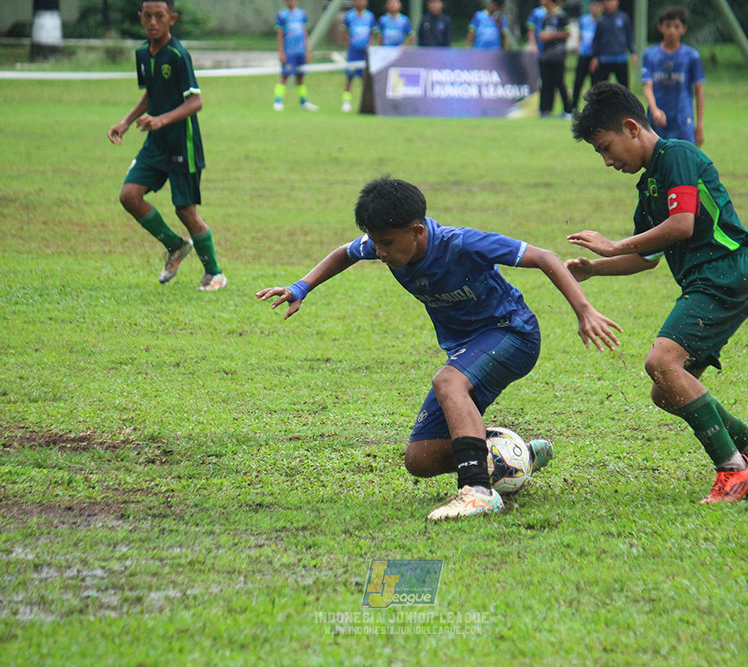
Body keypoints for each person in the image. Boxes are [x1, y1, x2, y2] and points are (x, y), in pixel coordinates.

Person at [257, 177, 621, 520]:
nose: (379, 252)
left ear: (417, 231)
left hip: (513, 333)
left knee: (447, 382)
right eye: (375, 242)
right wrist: (301, 287)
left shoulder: (461, 243)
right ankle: (513, 453)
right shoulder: (383, 243)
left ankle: (477, 490)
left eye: (386, 242)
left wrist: (584, 311)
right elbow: (345, 253)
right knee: (420, 459)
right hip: (469, 348)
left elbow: (544, 257)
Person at [565, 83, 748, 504]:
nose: (608, 161)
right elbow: (646, 255)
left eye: (607, 148)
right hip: (710, 280)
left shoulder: (678, 156)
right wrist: (596, 268)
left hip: (724, 273)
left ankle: (735, 470)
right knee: (666, 389)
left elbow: (682, 225)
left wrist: (611, 244)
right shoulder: (650, 186)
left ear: (632, 128)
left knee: (662, 363)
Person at [107, 0, 226, 291]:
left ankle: (215, 274)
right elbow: (151, 92)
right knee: (129, 196)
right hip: (155, 144)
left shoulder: (178, 54)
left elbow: (195, 101)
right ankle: (175, 246)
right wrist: (125, 121)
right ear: (140, 17)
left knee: (185, 211)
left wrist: (161, 120)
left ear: (171, 18)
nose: (152, 22)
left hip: (181, 144)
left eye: (159, 16)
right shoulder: (143, 54)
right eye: (147, 16)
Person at [641, 6, 705, 146]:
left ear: (683, 29)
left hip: (683, 118)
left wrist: (699, 125)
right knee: (657, 158)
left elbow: (699, 91)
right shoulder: (650, 55)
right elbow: (647, 87)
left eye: (676, 26)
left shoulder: (691, 56)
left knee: (685, 157)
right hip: (658, 119)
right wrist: (654, 110)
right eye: (668, 26)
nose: (671, 31)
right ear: (660, 28)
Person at [274, 0, 319, 111]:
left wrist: (307, 51)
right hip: (289, 51)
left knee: (300, 77)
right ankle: (278, 101)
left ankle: (303, 101)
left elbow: (304, 33)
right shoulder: (282, 15)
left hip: (300, 51)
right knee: (285, 75)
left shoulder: (301, 14)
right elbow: (279, 35)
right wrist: (281, 52)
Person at [537, 0, 573, 118]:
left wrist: (551, 36)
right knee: (546, 83)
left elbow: (567, 33)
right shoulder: (545, 16)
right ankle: (545, 109)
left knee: (559, 82)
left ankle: (567, 110)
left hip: (558, 55)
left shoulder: (562, 15)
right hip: (545, 55)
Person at [341, 0, 377, 112]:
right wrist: (349, 41)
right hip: (353, 51)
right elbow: (343, 30)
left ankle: (364, 102)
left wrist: (370, 44)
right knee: (349, 77)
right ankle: (346, 101)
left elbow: (373, 32)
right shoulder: (350, 15)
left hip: (365, 52)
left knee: (365, 78)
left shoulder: (370, 16)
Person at [589, 0, 636, 86]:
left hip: (620, 58)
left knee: (624, 87)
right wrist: (595, 56)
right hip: (605, 59)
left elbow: (629, 36)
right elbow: (596, 39)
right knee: (601, 87)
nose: (609, 4)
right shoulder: (601, 20)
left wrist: (633, 52)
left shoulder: (624, 17)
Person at [571, 0, 601, 113]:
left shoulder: (602, 22)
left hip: (595, 56)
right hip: (584, 55)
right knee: (578, 82)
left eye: (597, 6)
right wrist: (579, 48)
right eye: (593, 6)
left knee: (595, 84)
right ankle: (573, 107)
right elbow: (580, 35)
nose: (595, 9)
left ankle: (595, 109)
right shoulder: (584, 20)